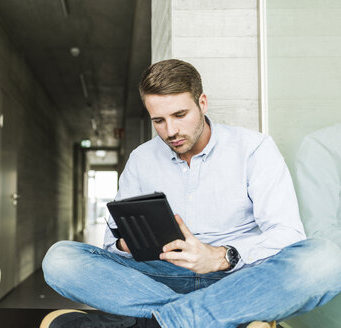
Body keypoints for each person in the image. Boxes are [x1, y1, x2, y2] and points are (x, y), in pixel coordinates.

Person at [40, 59, 341, 328]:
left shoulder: (254, 148)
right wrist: (127, 243)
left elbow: (288, 234)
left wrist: (220, 257)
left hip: (236, 279)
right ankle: (219, 319)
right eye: (158, 121)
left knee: (327, 260)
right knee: (60, 260)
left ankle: (153, 323)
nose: (170, 131)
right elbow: (110, 247)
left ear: (203, 102)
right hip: (157, 276)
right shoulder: (141, 159)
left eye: (180, 114)